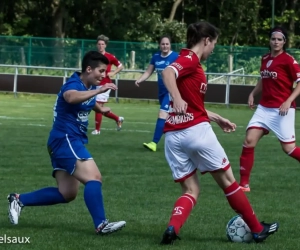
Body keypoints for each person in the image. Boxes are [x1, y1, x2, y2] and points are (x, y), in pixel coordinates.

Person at [159, 21, 279, 245]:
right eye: (213, 43)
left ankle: (172, 228)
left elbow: (192, 104)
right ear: (206, 40)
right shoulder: (190, 58)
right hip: (196, 132)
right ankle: (257, 228)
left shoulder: (191, 64)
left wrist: (216, 117)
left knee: (191, 189)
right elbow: (167, 73)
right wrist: (176, 96)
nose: (213, 48)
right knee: (229, 181)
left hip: (174, 136)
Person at [7, 51, 126, 234]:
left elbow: (87, 99)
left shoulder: (86, 86)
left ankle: (18, 199)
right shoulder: (73, 84)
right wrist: (99, 90)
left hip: (61, 142)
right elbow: (70, 97)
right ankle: (101, 224)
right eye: (101, 71)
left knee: (67, 193)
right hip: (66, 140)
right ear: (88, 69)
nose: (104, 75)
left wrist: (101, 109)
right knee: (94, 178)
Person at [239, 27, 300, 192]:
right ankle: (244, 184)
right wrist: (253, 93)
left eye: (280, 39)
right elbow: (263, 79)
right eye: (273, 39)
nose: (276, 42)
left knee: (289, 148)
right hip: (264, 108)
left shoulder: (288, 60)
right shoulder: (265, 58)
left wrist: (288, 101)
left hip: (282, 110)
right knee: (249, 141)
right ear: (270, 40)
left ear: (284, 42)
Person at [135, 35, 178, 152]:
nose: (165, 46)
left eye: (167, 44)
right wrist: (140, 79)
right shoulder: (156, 57)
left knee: (162, 115)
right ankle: (177, 141)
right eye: (163, 44)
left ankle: (154, 143)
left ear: (170, 45)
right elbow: (149, 71)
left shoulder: (175, 57)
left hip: (171, 91)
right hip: (162, 92)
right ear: (159, 45)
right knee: (170, 118)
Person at [91, 34, 125, 135]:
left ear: (105, 45)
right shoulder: (93, 56)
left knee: (98, 105)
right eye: (99, 44)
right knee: (96, 107)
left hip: (105, 85)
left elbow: (121, 66)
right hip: (95, 84)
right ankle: (118, 119)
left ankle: (97, 130)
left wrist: (113, 73)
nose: (100, 46)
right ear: (97, 45)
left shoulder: (110, 57)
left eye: (102, 44)